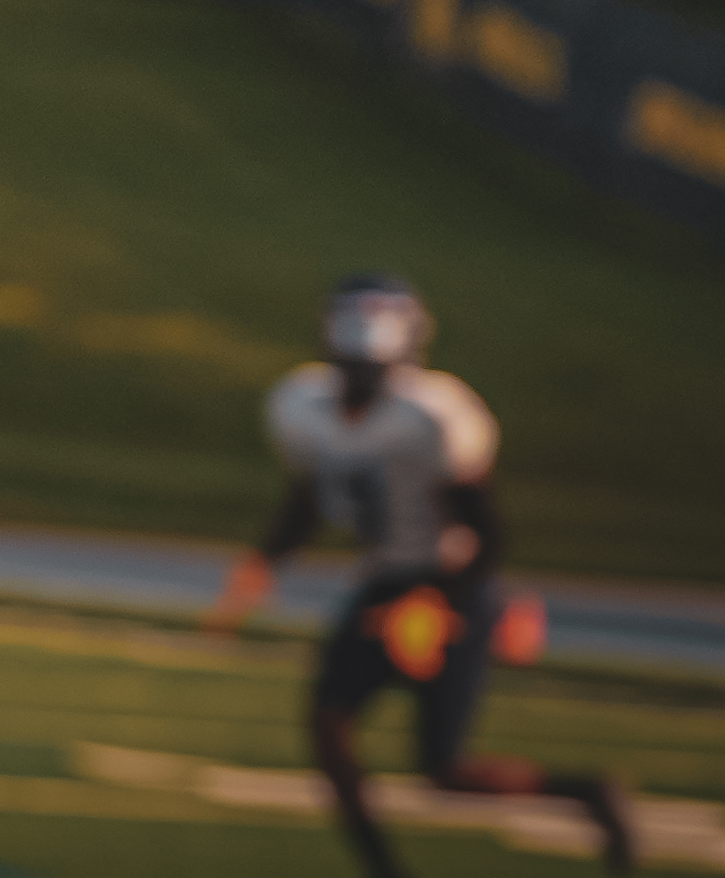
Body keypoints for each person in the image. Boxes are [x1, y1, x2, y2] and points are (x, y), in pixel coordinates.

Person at [205, 274, 635, 875]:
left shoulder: (432, 414)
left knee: (445, 770)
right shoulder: (302, 406)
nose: (363, 375)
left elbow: (487, 534)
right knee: (330, 723)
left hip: (453, 585)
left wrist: (442, 603)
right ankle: (383, 869)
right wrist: (262, 565)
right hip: (385, 581)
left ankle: (588, 793)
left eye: (373, 362)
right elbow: (307, 498)